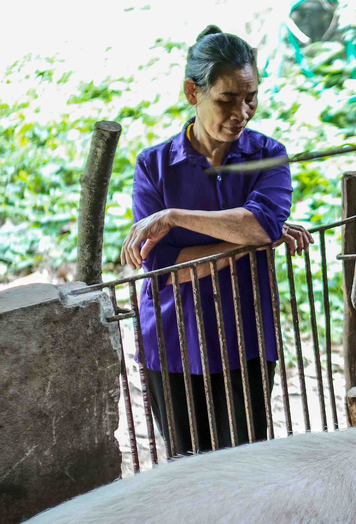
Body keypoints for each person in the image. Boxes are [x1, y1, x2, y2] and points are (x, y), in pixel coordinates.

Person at [121, 25, 312, 455]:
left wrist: (173, 217)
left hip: (246, 338)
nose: (242, 111)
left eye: (251, 97)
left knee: (245, 465)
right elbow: (166, 270)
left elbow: (261, 224)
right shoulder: (154, 166)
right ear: (193, 92)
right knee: (186, 471)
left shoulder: (268, 155)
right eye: (227, 98)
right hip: (173, 343)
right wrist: (253, 237)